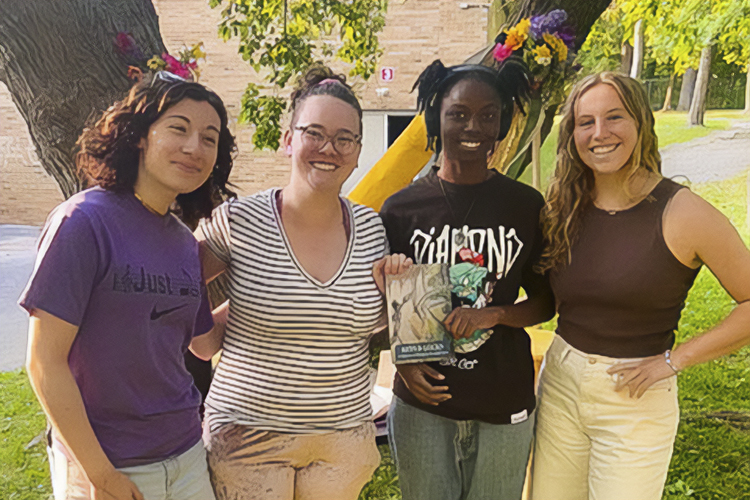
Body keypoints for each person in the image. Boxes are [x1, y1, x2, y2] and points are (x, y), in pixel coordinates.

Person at [529, 72, 750, 500]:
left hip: (636, 398)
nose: (599, 133)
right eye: (585, 121)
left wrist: (675, 360)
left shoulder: (683, 212)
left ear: (641, 123)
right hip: (560, 382)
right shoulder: (562, 206)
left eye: (614, 117)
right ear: (572, 132)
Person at [20, 72, 235, 500]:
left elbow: (203, 345)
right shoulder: (83, 222)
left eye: (210, 138)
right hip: (107, 464)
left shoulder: (182, 242)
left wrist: (270, 293)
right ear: (140, 136)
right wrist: (101, 475)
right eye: (179, 129)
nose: (195, 147)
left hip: (187, 452)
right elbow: (44, 362)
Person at [195, 65, 405, 500]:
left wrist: (395, 296)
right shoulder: (240, 221)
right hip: (248, 434)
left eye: (344, 138)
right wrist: (213, 325)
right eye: (314, 133)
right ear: (289, 140)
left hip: (343, 439)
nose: (329, 148)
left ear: (357, 149)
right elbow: (174, 283)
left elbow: (375, 326)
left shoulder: (371, 228)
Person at [379, 59, 555, 500]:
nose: (473, 126)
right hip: (424, 403)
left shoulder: (524, 205)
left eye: (488, 114)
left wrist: (493, 314)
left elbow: (547, 301)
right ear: (436, 115)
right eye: (458, 113)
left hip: (503, 396)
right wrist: (403, 360)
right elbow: (383, 302)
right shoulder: (401, 209)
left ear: (502, 123)